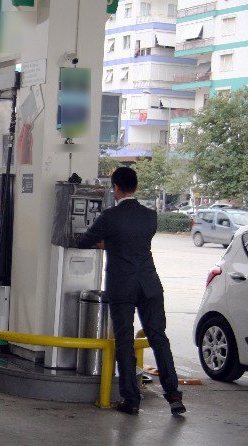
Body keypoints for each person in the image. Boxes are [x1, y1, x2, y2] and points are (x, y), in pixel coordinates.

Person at [77, 167, 186, 416]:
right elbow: (137, 241)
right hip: (149, 285)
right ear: (135, 187)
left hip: (122, 286)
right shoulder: (150, 216)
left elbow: (83, 241)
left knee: (125, 342)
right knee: (159, 338)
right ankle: (174, 395)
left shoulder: (109, 216)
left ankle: (131, 401)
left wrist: (107, 243)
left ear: (115, 188)